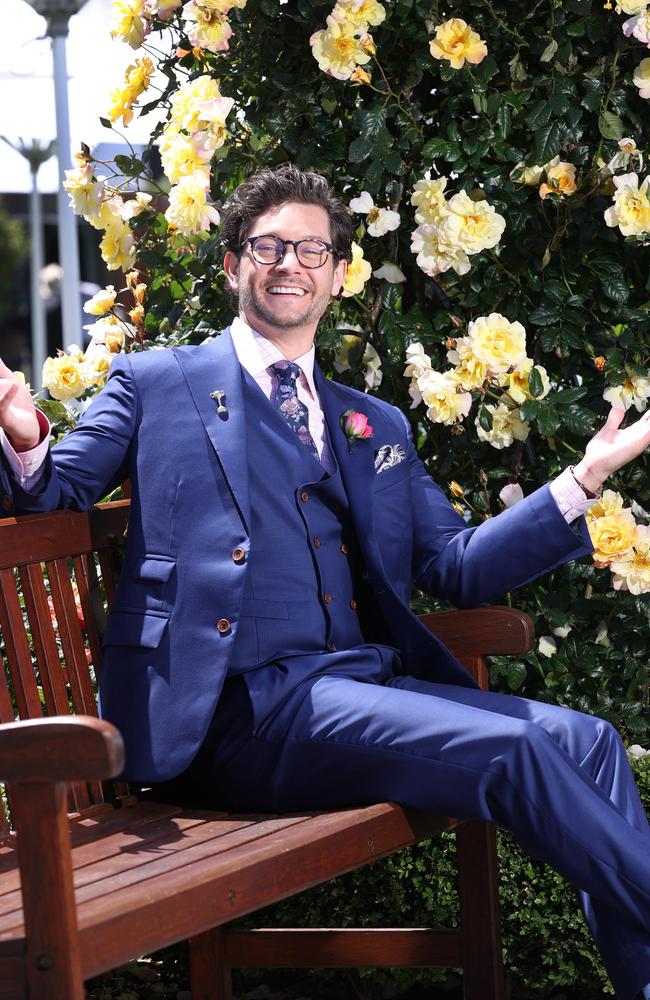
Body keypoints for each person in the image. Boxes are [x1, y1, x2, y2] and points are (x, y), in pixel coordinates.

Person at [0, 164, 649, 1000]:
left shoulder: (372, 423)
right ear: (233, 264)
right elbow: (52, 490)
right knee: (519, 749)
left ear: (338, 274)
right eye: (268, 246)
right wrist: (21, 432)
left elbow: (456, 568)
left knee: (586, 740)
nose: (290, 263)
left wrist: (582, 482)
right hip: (237, 715)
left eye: (312, 248)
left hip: (358, 691)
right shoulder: (158, 382)